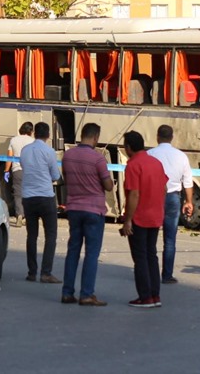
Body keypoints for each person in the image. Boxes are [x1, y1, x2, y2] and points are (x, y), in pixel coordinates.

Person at [61, 123, 113, 306]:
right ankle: (86, 294)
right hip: (94, 210)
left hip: (74, 209)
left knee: (73, 250)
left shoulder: (68, 156)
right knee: (91, 253)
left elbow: (66, 179)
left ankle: (67, 292)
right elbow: (108, 186)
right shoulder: (98, 159)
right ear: (96, 137)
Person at [121, 131, 168, 308]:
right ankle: (155, 295)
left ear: (129, 148)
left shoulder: (133, 165)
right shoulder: (156, 163)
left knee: (140, 257)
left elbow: (134, 194)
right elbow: (163, 188)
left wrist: (128, 219)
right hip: (155, 216)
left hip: (139, 217)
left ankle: (145, 296)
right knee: (151, 255)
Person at [148, 125, 194, 284]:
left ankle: (149, 272)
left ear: (157, 137)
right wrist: (188, 202)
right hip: (173, 198)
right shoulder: (181, 156)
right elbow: (188, 182)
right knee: (170, 239)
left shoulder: (150, 154)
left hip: (153, 198)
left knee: (150, 236)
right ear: (172, 137)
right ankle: (167, 275)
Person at [20, 122, 62, 284]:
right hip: (45, 196)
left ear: (34, 133)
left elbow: (24, 167)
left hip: (28, 197)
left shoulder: (25, 150)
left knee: (32, 235)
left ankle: (32, 272)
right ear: (48, 135)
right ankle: (46, 273)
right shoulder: (49, 151)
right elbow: (55, 176)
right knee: (50, 235)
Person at [3, 122, 34, 227]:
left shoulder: (14, 140)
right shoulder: (32, 141)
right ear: (30, 131)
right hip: (30, 170)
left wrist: (6, 171)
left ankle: (19, 215)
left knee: (18, 194)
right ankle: (28, 217)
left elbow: (9, 157)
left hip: (17, 170)